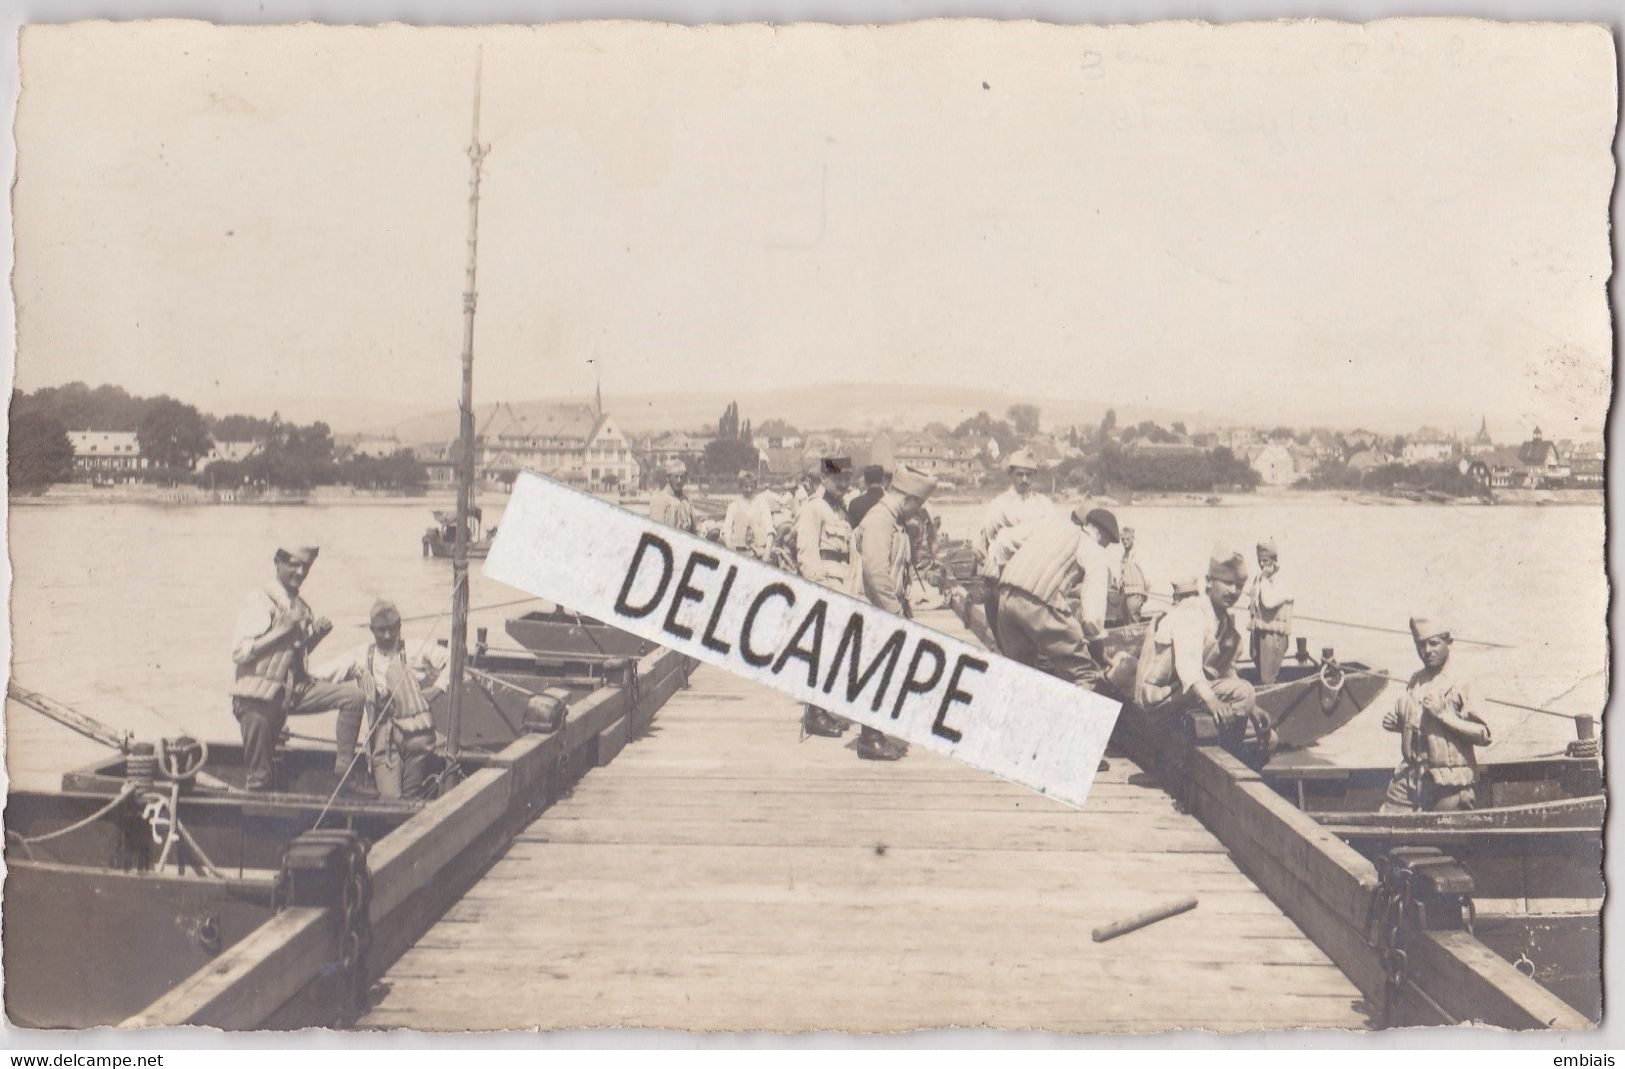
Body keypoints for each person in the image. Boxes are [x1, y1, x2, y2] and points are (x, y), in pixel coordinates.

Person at [230, 545, 364, 792]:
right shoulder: (260, 600)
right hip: (258, 697)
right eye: (294, 564)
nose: (301, 572)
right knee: (260, 779)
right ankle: (258, 806)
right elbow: (239, 652)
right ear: (278, 562)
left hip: (293, 691)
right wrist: (281, 629)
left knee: (354, 697)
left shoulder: (301, 606)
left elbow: (293, 654)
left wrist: (316, 637)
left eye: (306, 567)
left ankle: (344, 773)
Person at [1133, 545, 1273, 762]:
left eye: (1238, 586)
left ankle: (1225, 750)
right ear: (1209, 582)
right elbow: (1189, 670)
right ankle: (1224, 756)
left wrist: (1251, 706)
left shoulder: (1224, 624)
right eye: (1227, 583)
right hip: (1156, 698)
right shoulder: (1192, 612)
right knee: (1242, 691)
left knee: (1247, 697)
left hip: (1179, 692)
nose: (1233, 591)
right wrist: (1213, 702)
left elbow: (1225, 671)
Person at [314, 600, 447, 800]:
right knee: (391, 800)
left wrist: (438, 688)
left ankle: (416, 798)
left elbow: (454, 658)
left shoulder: (415, 649)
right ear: (372, 630)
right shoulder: (359, 656)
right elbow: (322, 674)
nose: (387, 635)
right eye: (381, 630)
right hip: (383, 743)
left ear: (400, 626)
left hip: (416, 736)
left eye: (392, 629)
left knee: (412, 795)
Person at [852, 464, 939, 760]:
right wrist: (894, 614)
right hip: (876, 609)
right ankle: (870, 738)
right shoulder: (880, 520)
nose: (918, 512)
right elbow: (876, 573)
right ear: (908, 499)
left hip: (884, 607)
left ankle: (875, 732)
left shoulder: (891, 519)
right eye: (918, 505)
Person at [987, 506, 1119, 688]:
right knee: (1084, 675)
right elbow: (1092, 616)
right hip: (1041, 602)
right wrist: (1097, 647)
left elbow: (1002, 541)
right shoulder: (1094, 551)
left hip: (1006, 596)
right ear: (1101, 536)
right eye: (1107, 543)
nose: (1105, 547)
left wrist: (1007, 576)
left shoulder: (1051, 525)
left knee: (1021, 674)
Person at [1379, 615, 1492, 813]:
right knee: (1387, 820)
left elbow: (1484, 735)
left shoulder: (1463, 681)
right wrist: (1400, 725)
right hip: (1412, 779)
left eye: (1434, 643)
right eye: (1421, 645)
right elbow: (1423, 729)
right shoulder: (1416, 680)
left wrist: (1444, 715)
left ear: (1449, 642)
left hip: (1449, 783)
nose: (1427, 651)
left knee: (1444, 834)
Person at [793, 456, 857, 738]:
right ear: (823, 479)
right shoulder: (814, 509)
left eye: (846, 479)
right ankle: (814, 714)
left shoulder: (841, 512)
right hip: (825, 588)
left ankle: (824, 709)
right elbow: (807, 554)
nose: (843, 484)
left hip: (843, 587)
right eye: (838, 479)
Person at [976, 449, 1055, 556]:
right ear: (1011, 474)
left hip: (1040, 562)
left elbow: (1056, 535)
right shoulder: (999, 505)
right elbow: (983, 543)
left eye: (1029, 475)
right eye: (1020, 474)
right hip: (1010, 566)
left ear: (1034, 475)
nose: (1024, 479)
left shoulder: (1044, 504)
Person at [1247, 538, 1294, 685]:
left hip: (1274, 636)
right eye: (1260, 560)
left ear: (1274, 560)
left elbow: (1268, 602)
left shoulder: (1282, 580)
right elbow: (1251, 595)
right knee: (1261, 670)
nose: (1262, 564)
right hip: (1260, 632)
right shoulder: (1261, 577)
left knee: (1268, 678)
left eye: (1266, 560)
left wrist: (1265, 579)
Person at [722, 469, 775, 560]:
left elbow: (769, 529)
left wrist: (766, 554)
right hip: (739, 552)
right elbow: (727, 529)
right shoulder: (733, 505)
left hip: (760, 552)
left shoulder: (762, 504)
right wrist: (731, 549)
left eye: (752, 486)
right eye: (746, 486)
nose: (749, 489)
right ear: (740, 486)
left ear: (755, 487)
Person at [1108, 525, 1150, 626]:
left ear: (1132, 538)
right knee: (1125, 620)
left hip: (1135, 592)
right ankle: (1128, 640)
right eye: (1123, 539)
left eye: (1127, 539)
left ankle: (1134, 640)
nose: (1125, 541)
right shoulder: (1124, 556)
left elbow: (1146, 574)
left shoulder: (1138, 554)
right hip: (1125, 592)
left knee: (1133, 619)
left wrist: (1145, 592)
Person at [649, 459, 697, 534]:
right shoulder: (660, 499)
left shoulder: (685, 500)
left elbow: (693, 530)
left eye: (682, 477)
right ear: (668, 478)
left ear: (685, 478)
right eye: (676, 477)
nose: (679, 481)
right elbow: (656, 532)